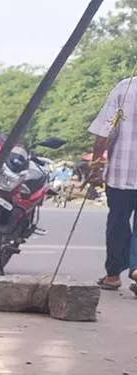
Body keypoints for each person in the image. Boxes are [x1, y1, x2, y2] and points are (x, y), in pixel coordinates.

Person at [88, 76, 137, 293]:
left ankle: (113, 275)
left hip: (121, 173)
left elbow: (103, 133)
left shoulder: (125, 88)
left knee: (117, 222)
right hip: (121, 173)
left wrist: (96, 164)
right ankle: (135, 268)